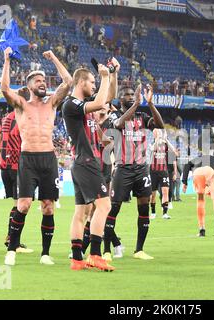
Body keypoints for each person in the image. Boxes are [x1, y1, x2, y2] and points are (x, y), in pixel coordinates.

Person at [1, 47, 72, 266]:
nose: (43, 82)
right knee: (23, 205)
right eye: (38, 80)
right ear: (30, 85)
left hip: (48, 159)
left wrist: (53, 58)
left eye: (44, 80)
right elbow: (4, 88)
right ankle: (12, 249)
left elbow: (68, 82)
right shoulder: (22, 105)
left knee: (48, 206)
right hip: (28, 159)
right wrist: (6, 60)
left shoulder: (52, 103)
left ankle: (45, 254)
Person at [62, 61, 116, 271]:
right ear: (81, 81)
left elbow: (107, 97)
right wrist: (103, 77)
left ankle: (77, 259)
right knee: (104, 206)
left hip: (82, 162)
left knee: (82, 213)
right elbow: (101, 99)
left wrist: (112, 75)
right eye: (91, 82)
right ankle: (94, 254)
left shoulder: (83, 105)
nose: (94, 86)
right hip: (86, 161)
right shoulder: (71, 104)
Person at [102, 84, 164, 261]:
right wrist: (136, 103)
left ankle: (139, 250)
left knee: (144, 208)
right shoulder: (114, 115)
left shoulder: (142, 117)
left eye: (132, 94)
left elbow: (159, 124)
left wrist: (150, 104)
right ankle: (107, 250)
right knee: (113, 209)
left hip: (141, 168)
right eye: (127, 95)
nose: (130, 96)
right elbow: (119, 125)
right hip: (123, 169)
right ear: (119, 99)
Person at [0, 108, 33, 254]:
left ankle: (11, 239)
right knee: (22, 205)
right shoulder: (24, 118)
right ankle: (14, 243)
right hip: (18, 167)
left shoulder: (6, 118)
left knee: (17, 204)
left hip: (4, 168)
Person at [182, 154, 214, 237]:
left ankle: (202, 229)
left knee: (200, 199)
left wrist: (184, 182)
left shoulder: (197, 159)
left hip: (197, 173)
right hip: (210, 171)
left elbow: (187, 165)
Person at [150, 128, 177, 220]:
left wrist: (166, 140)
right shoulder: (152, 143)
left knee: (165, 191)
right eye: (156, 133)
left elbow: (173, 151)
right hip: (153, 171)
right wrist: (157, 139)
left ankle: (165, 213)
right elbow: (152, 149)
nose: (157, 134)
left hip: (163, 171)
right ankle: (153, 212)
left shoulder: (165, 145)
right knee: (153, 194)